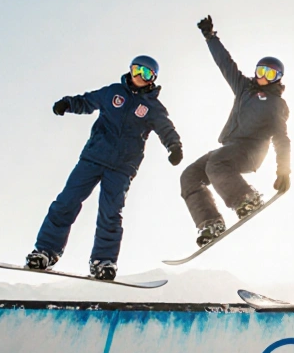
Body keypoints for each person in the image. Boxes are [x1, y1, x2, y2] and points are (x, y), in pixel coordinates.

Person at [26, 56, 183, 280]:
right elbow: (87, 101)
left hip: (121, 168)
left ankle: (103, 261)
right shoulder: (113, 92)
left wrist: (174, 146)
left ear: (153, 79)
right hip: (93, 158)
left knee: (110, 214)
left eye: (147, 73)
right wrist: (68, 104)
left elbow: (166, 129)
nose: (140, 76)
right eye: (137, 69)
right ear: (130, 70)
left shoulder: (153, 107)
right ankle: (45, 252)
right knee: (66, 202)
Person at [182, 16, 291, 247]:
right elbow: (225, 63)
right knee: (190, 175)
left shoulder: (275, 104)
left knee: (216, 163)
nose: (263, 77)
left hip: (251, 150)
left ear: (278, 79)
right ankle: (210, 222)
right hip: (229, 149)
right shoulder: (243, 88)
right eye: (261, 71)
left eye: (270, 74)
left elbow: (281, 138)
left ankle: (247, 198)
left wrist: (283, 169)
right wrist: (211, 37)